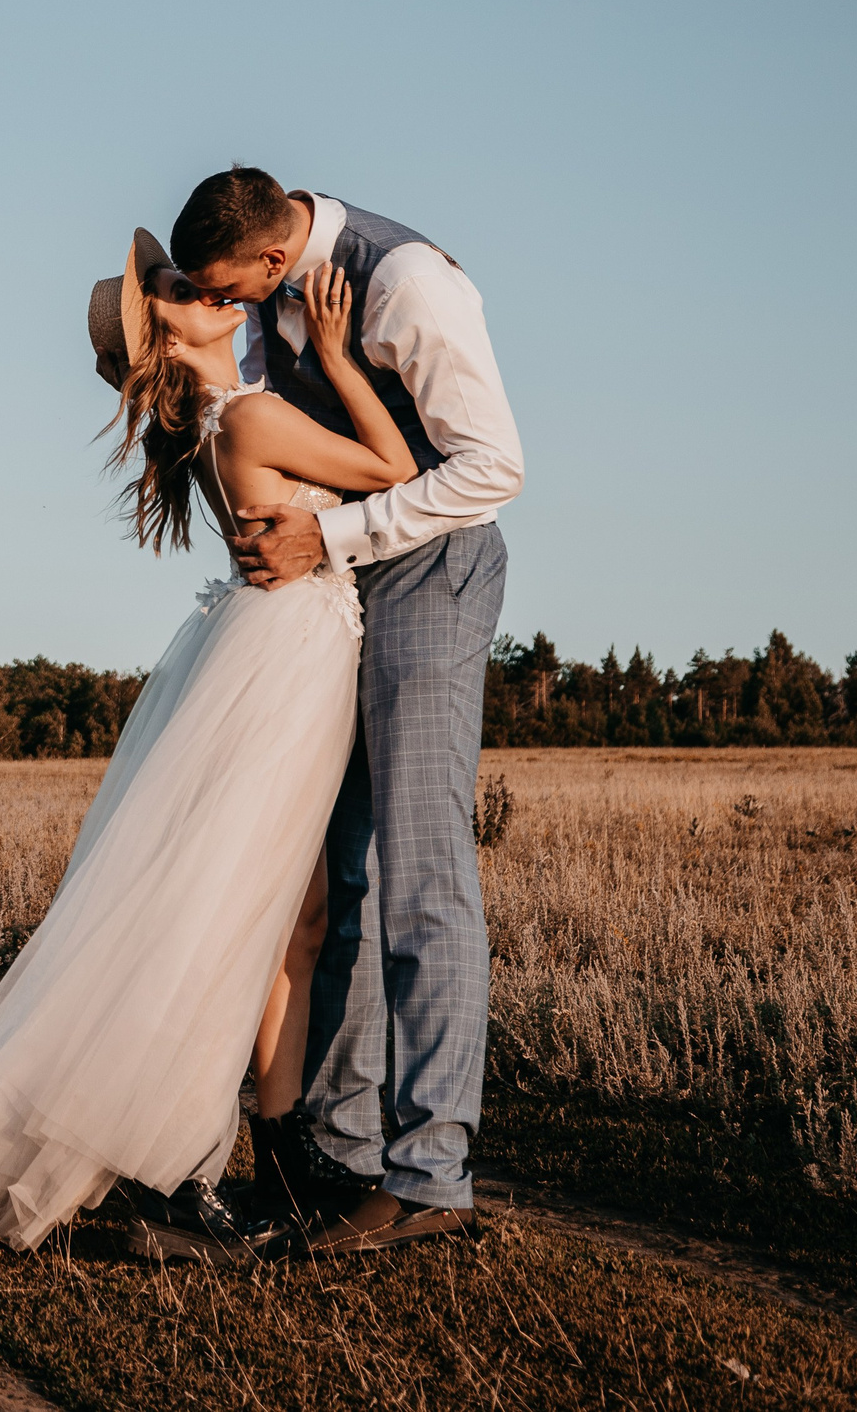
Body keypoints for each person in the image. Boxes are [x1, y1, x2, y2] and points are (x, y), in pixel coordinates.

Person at [0, 233, 418, 1261]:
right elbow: (395, 471)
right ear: (165, 343)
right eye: (179, 293)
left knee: (292, 918)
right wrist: (347, 361)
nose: (204, 291)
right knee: (224, 914)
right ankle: (175, 1167)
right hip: (281, 668)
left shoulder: (235, 418)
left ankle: (276, 1151)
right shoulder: (254, 417)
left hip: (281, 656)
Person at [172, 166, 522, 1253]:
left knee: (420, 873)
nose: (223, 306)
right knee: (347, 873)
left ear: (275, 259)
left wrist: (325, 540)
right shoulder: (272, 282)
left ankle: (428, 1176)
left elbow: (492, 467)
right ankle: (344, 1148)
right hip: (339, 599)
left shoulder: (407, 282)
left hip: (429, 573)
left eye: (228, 289)